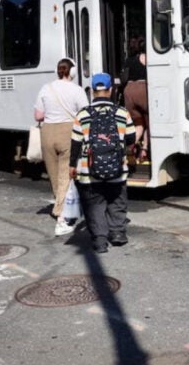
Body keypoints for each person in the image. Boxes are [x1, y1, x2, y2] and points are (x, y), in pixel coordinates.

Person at [69, 73, 135, 253]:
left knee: (94, 204)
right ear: (111, 90)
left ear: (92, 92)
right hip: (117, 168)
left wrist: (72, 165)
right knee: (117, 200)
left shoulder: (82, 115)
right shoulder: (122, 112)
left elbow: (75, 143)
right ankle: (118, 233)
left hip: (88, 171)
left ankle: (99, 240)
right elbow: (131, 138)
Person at [34, 58, 88, 236]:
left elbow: (38, 115)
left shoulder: (45, 88)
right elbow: (85, 113)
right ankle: (62, 215)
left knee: (54, 174)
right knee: (66, 173)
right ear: (72, 72)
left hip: (47, 133)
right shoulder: (77, 90)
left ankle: (60, 205)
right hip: (68, 131)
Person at [122, 36, 149, 163]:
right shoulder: (148, 58)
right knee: (150, 123)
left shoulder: (128, 60)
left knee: (139, 124)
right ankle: (144, 150)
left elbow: (124, 78)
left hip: (128, 91)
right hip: (143, 89)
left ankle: (131, 145)